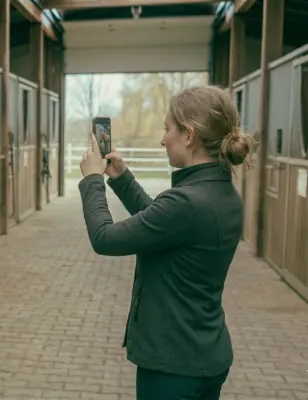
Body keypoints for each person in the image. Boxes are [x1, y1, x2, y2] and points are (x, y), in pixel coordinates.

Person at [78, 85, 254, 400]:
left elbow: (104, 238)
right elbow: (163, 224)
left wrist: (92, 180)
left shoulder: (187, 202)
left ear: (188, 135)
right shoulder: (221, 193)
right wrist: (121, 177)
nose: (162, 139)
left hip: (173, 368)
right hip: (206, 356)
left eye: (167, 128)